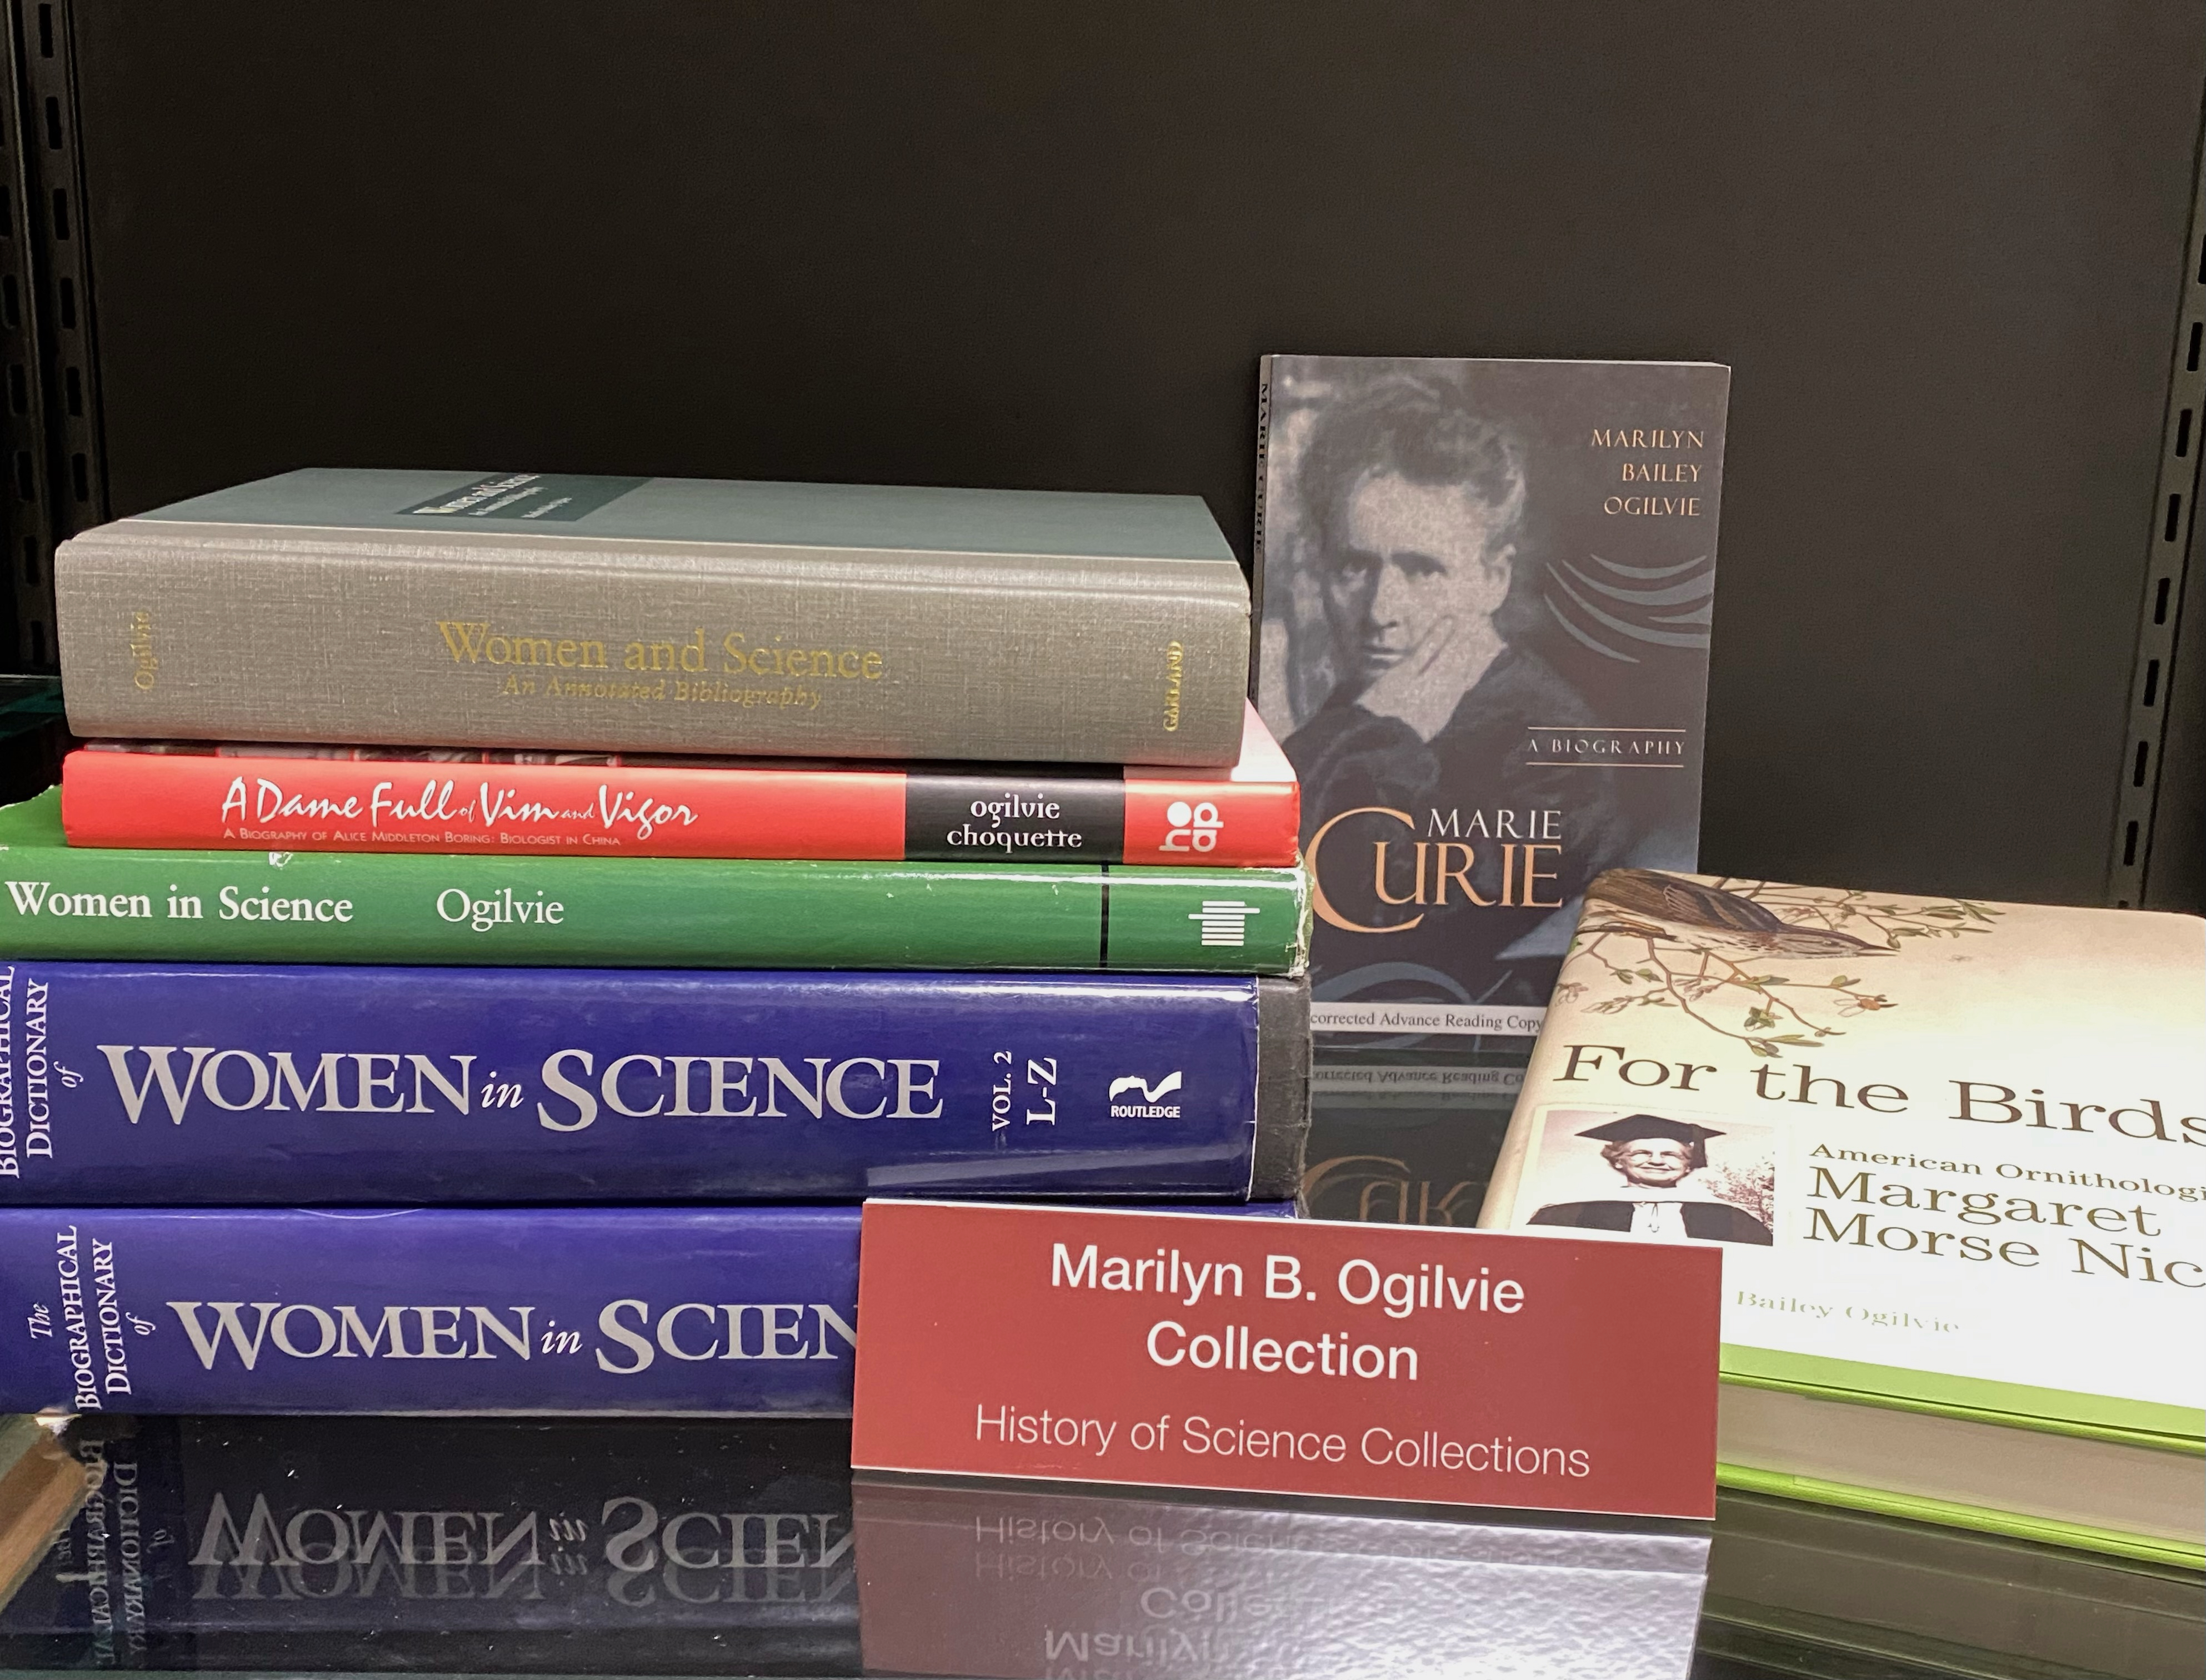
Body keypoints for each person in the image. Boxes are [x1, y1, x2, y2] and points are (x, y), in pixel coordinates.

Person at [1281, 373, 1628, 1010]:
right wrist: (1382, 724)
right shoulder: (1375, 703)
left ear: (1492, 579)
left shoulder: (1557, 757)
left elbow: (1357, 929)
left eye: (1422, 570)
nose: (1380, 610)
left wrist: (1390, 736)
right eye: (1354, 567)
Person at [1527, 1114, 1772, 1243]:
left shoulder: (1730, 1219)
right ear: (1618, 1161)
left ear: (1689, 1165)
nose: (1656, 1161)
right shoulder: (1567, 1215)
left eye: (1671, 1155)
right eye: (1642, 1153)